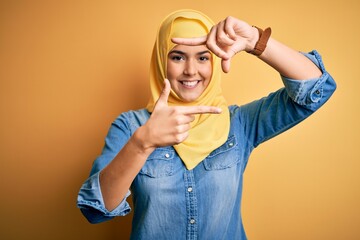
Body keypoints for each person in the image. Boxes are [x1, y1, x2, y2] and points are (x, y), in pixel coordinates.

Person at [77, 9, 336, 240]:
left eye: (203, 58)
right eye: (177, 57)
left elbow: (317, 88)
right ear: (160, 61)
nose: (191, 70)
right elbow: (96, 210)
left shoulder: (240, 123)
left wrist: (256, 41)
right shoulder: (130, 126)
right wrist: (141, 144)